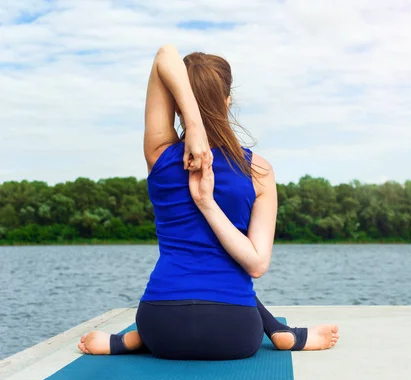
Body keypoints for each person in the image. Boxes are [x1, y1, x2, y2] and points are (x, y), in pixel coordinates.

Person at [77, 44, 339, 360]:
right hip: (234, 331)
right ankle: (281, 333)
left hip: (160, 328)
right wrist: (209, 202)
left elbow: (164, 55)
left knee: (188, 278)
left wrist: (194, 130)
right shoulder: (259, 171)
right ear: (228, 102)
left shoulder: (159, 154)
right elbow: (256, 265)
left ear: (176, 106)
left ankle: (133, 339)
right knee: (228, 275)